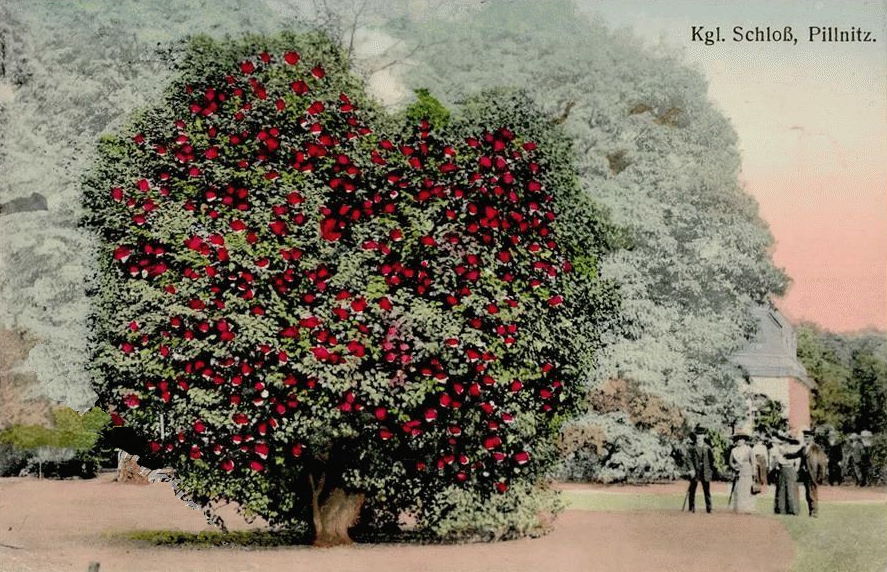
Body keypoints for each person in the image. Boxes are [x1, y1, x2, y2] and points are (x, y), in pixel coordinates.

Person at [785, 428, 826, 517]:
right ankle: (811, 511)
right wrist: (785, 455)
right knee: (808, 493)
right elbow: (795, 454)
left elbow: (822, 463)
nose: (806, 439)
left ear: (812, 437)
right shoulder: (804, 448)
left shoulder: (816, 448)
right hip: (806, 474)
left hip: (814, 474)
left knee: (813, 493)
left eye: (807, 437)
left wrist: (821, 475)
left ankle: (815, 511)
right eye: (805, 437)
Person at [685, 427, 715, 513]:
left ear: (704, 436)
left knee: (707, 490)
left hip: (705, 471)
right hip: (695, 471)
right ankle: (691, 508)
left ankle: (709, 508)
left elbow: (712, 460)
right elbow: (688, 459)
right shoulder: (692, 448)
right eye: (698, 435)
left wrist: (710, 470)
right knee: (692, 490)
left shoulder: (708, 448)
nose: (699, 437)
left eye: (701, 435)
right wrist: (691, 469)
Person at [773, 432, 801, 515]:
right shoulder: (781, 449)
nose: (787, 443)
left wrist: (794, 471)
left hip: (790, 469)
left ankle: (792, 510)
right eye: (786, 441)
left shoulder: (795, 450)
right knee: (781, 490)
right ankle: (781, 509)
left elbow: (797, 463)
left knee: (791, 490)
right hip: (782, 470)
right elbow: (778, 461)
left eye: (789, 441)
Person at [728, 432, 756, 513]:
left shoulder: (749, 449)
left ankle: (747, 508)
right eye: (738, 439)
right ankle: (739, 507)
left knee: (747, 490)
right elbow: (730, 462)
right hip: (738, 473)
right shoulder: (734, 450)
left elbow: (753, 461)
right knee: (738, 490)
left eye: (741, 439)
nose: (740, 441)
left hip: (747, 471)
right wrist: (734, 467)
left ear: (744, 440)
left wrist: (754, 472)